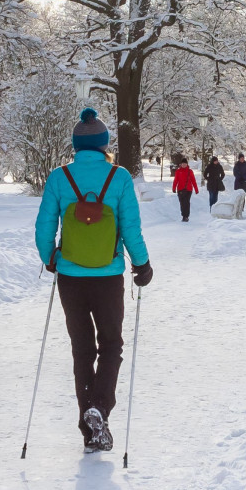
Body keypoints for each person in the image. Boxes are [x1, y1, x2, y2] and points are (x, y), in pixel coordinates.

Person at [35, 108, 153, 453]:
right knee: (111, 345)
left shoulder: (59, 178)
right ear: (104, 145)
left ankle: (89, 431)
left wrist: (51, 258)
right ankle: (99, 408)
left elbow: (44, 227)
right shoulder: (118, 178)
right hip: (107, 275)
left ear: (76, 145)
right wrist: (142, 264)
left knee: (82, 350)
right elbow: (130, 227)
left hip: (70, 277)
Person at [171, 154, 198, 222]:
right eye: (183, 163)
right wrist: (173, 188)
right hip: (180, 189)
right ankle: (183, 215)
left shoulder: (190, 171)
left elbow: (193, 180)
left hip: (188, 190)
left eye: (185, 163)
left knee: (186, 202)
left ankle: (186, 216)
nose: (184, 165)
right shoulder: (178, 171)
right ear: (181, 164)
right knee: (182, 203)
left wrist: (196, 189)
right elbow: (176, 180)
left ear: (187, 164)